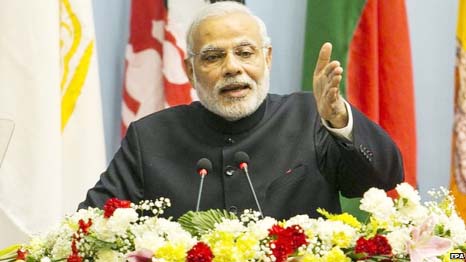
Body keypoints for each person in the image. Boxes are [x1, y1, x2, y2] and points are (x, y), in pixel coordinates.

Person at [79, 1, 403, 220]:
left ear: (267, 59)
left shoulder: (311, 116)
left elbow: (382, 177)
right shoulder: (149, 137)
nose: (232, 68)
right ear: (190, 71)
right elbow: (92, 223)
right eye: (212, 57)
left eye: (245, 52)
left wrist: (338, 119)